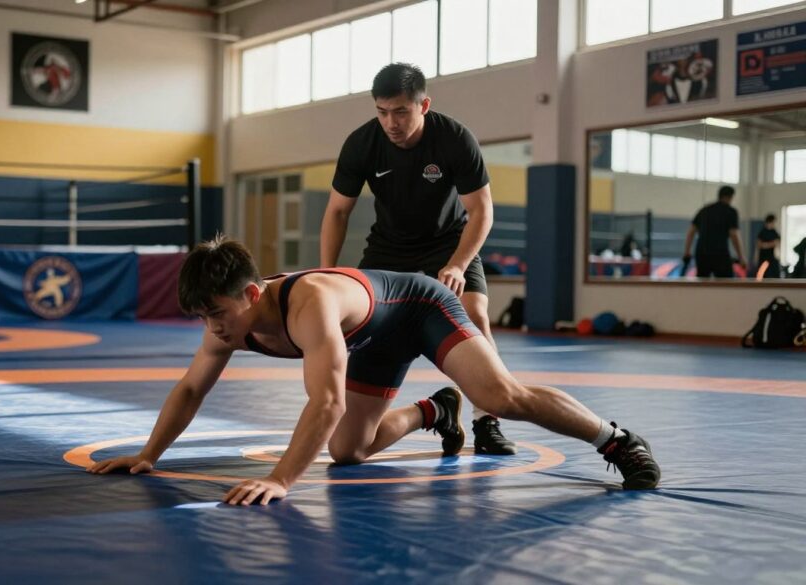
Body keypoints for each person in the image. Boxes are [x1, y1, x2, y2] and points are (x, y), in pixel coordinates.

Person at [87, 236, 661, 505]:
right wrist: (149, 455)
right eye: (203, 317)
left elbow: (326, 400)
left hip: (419, 307)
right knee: (348, 453)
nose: (212, 328)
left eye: (216, 313)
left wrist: (281, 480)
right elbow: (190, 389)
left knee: (501, 395)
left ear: (253, 294)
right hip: (371, 336)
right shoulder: (227, 327)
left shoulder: (308, 306)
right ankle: (436, 409)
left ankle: (616, 441)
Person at [319, 62, 516, 456]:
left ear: (424, 105)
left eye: (401, 112)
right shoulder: (362, 143)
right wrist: (328, 274)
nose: (391, 122)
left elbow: (482, 210)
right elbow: (337, 212)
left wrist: (459, 264)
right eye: (382, 111)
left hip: (449, 243)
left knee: (474, 314)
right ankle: (434, 410)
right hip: (388, 249)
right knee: (354, 322)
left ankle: (486, 421)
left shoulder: (454, 139)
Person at [682, 186, 747, 278]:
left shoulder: (704, 210)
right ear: (730, 197)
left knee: (702, 282)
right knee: (726, 284)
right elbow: (734, 235)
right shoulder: (731, 212)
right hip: (720, 253)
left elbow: (691, 231)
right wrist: (741, 257)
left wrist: (687, 251)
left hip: (701, 252)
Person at [754, 214, 781, 279]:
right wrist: (769, 244)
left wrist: (765, 245)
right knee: (761, 276)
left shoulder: (774, 232)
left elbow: (776, 243)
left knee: (774, 275)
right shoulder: (762, 232)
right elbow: (759, 245)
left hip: (772, 258)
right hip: (763, 258)